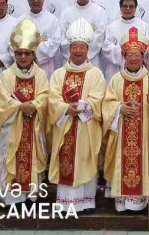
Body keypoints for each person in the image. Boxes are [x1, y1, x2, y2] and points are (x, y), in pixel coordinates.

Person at [47, 18, 107, 212]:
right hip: (65, 126)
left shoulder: (96, 74)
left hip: (86, 128)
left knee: (85, 161)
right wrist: (66, 109)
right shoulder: (58, 74)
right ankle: (66, 204)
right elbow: (52, 98)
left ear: (88, 49)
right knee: (66, 162)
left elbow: (98, 98)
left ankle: (86, 202)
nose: (78, 51)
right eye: (75, 47)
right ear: (69, 49)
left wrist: (81, 107)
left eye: (82, 47)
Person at [102, 26, 149, 212]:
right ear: (124, 57)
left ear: (143, 57)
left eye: (137, 55)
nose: (134, 58)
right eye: (130, 55)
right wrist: (119, 108)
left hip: (145, 134)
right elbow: (107, 104)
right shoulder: (116, 79)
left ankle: (142, 202)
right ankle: (122, 203)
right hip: (121, 133)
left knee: (143, 161)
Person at [0, 19, 50, 205]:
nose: (23, 57)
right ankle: (11, 198)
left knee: (31, 157)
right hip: (11, 129)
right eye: (19, 53)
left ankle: (31, 195)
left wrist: (34, 105)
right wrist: (20, 107)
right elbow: (3, 98)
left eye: (27, 53)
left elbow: (45, 95)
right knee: (10, 158)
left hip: (33, 126)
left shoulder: (40, 75)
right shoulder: (7, 75)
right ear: (14, 55)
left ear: (33, 55)